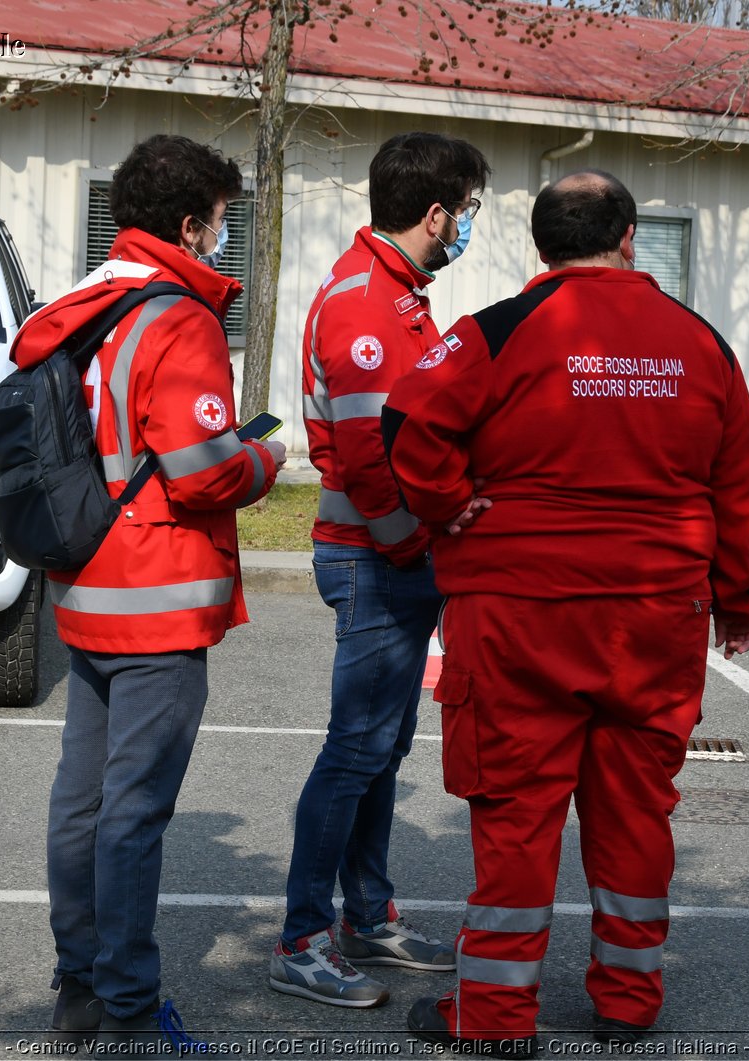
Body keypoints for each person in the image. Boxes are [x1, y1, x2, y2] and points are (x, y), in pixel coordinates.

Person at [381, 169, 749, 1058]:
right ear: (629, 235)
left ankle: (491, 1017)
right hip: (654, 617)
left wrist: (447, 504)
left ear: (540, 244)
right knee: (637, 811)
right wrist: (740, 599)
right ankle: (629, 1002)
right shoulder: (698, 342)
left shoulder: (498, 332)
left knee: (517, 815)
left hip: (520, 616)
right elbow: (740, 482)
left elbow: (407, 422)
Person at [9, 134, 284, 1061]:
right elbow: (206, 472)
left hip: (83, 583)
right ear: (189, 221)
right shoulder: (181, 318)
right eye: (219, 220)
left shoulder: (81, 306)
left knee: (81, 801)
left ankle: (79, 985)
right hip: (158, 596)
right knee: (135, 811)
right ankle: (130, 1006)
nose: (222, 237)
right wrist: (267, 458)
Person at [269, 131, 491, 1009]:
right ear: (434, 213)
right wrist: (413, 543)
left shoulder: (398, 293)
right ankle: (301, 937)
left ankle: (367, 913)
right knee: (354, 749)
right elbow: (367, 456)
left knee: (381, 748)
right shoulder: (367, 305)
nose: (468, 224)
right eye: (466, 210)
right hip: (375, 555)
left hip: (393, 554)